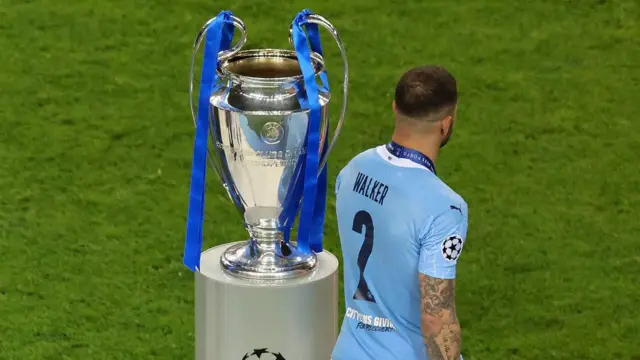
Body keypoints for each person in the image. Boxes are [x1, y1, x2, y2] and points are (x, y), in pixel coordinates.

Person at [331, 66, 468, 360]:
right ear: (446, 124)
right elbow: (436, 318)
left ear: (395, 108)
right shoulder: (444, 208)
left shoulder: (352, 170)